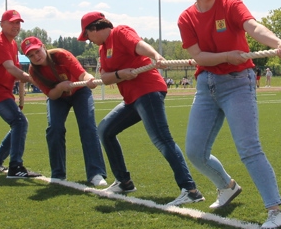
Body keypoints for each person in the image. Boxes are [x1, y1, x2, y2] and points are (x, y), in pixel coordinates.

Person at [177, 0, 281, 229]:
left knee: (249, 148)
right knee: (194, 151)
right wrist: (227, 55)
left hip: (239, 81)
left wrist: (277, 42)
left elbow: (253, 27)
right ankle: (227, 186)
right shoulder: (186, 17)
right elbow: (199, 56)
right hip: (206, 84)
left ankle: (275, 210)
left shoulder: (230, 4)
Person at [79, 12, 204, 206]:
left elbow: (138, 45)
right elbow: (105, 77)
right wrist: (120, 74)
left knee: (162, 139)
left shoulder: (120, 32)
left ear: (94, 28)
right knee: (105, 129)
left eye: (87, 35)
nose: (88, 40)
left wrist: (155, 56)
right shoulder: (103, 50)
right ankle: (124, 182)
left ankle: (191, 190)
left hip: (148, 91)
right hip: (132, 99)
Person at [20, 36, 107, 186]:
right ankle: (58, 174)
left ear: (44, 47)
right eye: (31, 55)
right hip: (58, 97)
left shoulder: (62, 55)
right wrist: (60, 87)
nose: (36, 57)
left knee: (87, 126)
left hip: (80, 91)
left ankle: (96, 173)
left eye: (37, 51)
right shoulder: (34, 71)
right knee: (54, 128)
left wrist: (90, 79)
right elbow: (51, 95)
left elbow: (82, 74)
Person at [0, 9, 41, 179]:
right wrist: (36, 81)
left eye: (18, 23)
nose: (16, 26)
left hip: (2, 91)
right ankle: (15, 167)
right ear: (2, 24)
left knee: (18, 122)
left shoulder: (12, 43)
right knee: (20, 122)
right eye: (12, 22)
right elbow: (11, 68)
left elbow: (17, 72)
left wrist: (21, 98)